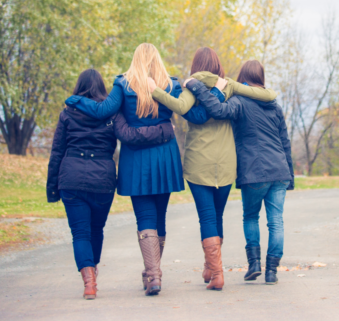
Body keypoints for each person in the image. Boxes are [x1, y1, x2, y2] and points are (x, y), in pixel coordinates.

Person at [64, 44, 195, 296]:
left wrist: (75, 99)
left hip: (136, 159)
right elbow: (181, 109)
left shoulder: (123, 85)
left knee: (145, 217)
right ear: (157, 60)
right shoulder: (171, 85)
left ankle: (153, 275)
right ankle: (153, 274)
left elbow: (102, 110)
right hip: (165, 156)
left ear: (135, 60)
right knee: (160, 216)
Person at [148, 47, 277, 291]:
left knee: (206, 216)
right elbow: (268, 95)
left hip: (199, 162)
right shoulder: (229, 86)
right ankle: (211, 267)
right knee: (217, 215)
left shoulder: (190, 86)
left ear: (196, 65)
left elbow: (179, 107)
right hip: (227, 162)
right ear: (218, 65)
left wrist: (152, 89)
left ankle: (216, 273)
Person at [47, 68, 175, 300]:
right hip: (102, 180)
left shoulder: (68, 113)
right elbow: (131, 136)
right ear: (102, 89)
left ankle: (90, 283)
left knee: (80, 233)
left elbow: (57, 152)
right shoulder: (112, 114)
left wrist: (53, 187)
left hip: (71, 177)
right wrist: (163, 129)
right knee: (95, 229)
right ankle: (95, 275)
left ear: (78, 87)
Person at [184, 60, 294, 285]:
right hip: (280, 170)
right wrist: (289, 175)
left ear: (242, 79)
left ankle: (254, 264)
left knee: (251, 216)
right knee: (276, 221)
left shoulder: (239, 101)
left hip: (254, 171)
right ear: (261, 79)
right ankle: (271, 271)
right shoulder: (274, 105)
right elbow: (285, 142)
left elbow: (215, 109)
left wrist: (196, 86)